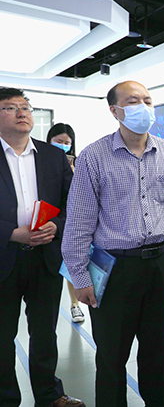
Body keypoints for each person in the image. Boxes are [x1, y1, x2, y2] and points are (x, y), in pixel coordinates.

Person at [61, 81, 164, 406]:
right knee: (111, 355)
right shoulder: (94, 156)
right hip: (113, 267)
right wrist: (80, 277)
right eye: (133, 101)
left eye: (148, 100)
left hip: (159, 263)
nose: (143, 107)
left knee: (158, 352)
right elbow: (79, 221)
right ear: (115, 110)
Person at [0, 88, 84, 407]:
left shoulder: (53, 156)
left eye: (25, 107)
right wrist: (12, 233)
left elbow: (72, 203)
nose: (22, 112)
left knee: (46, 334)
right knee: (2, 337)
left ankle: (50, 395)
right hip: (4, 257)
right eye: (11, 107)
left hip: (45, 259)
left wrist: (57, 225)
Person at [46, 123, 85, 324]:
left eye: (67, 143)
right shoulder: (43, 160)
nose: (63, 146)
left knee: (71, 265)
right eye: (59, 141)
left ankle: (75, 304)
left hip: (72, 223)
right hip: (50, 221)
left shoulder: (77, 163)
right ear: (50, 140)